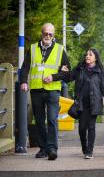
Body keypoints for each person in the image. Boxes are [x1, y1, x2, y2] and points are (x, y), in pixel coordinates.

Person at [20, 23, 70, 160]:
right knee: (40, 120)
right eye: (45, 33)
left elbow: (67, 71)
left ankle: (52, 149)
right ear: (41, 34)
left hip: (53, 90)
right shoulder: (33, 48)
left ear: (53, 35)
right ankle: (43, 148)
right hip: (36, 89)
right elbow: (25, 67)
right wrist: (24, 81)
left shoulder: (60, 50)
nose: (47, 36)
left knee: (53, 119)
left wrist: (53, 77)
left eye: (50, 34)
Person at [62, 48, 104, 159]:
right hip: (81, 103)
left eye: (90, 55)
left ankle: (89, 151)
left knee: (91, 127)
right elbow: (69, 78)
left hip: (94, 103)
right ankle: (84, 148)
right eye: (86, 54)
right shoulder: (80, 69)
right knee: (81, 128)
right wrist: (63, 71)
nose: (87, 56)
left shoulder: (100, 72)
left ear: (95, 58)